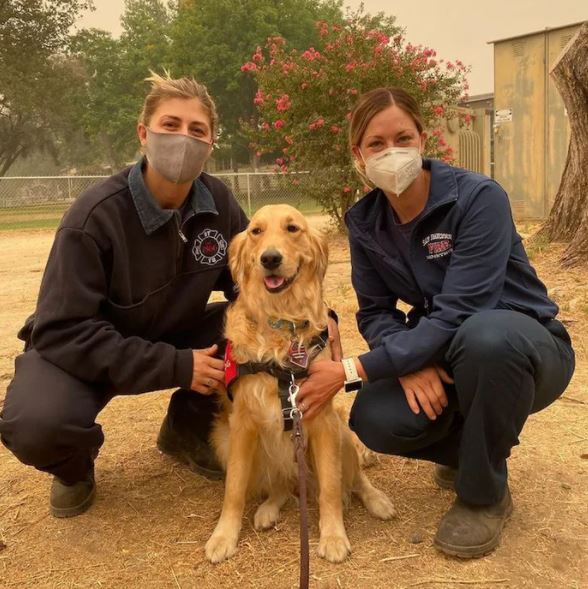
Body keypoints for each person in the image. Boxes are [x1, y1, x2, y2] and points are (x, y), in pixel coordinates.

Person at [297, 87, 575, 558]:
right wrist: (405, 363)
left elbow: (463, 309)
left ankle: (483, 496)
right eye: (377, 144)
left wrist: (352, 371)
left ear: (423, 138)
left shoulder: (478, 198)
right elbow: (377, 312)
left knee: (486, 337)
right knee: (373, 416)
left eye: (402, 137)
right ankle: (471, 456)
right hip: (446, 348)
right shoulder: (365, 223)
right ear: (358, 155)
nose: (392, 152)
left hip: (521, 342)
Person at [0, 73, 248, 518]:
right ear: (143, 133)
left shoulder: (220, 202)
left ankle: (188, 428)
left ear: (211, 143)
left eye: (197, 131)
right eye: (170, 125)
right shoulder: (94, 215)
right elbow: (62, 331)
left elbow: (252, 285)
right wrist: (177, 365)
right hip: (84, 350)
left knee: (252, 329)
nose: (183, 139)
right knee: (36, 424)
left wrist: (312, 318)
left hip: (174, 332)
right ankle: (73, 467)